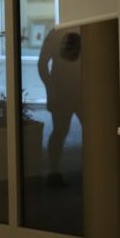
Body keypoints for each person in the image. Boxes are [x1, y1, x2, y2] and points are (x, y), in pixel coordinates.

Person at [38, 25, 82, 188]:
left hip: (66, 90)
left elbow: (42, 64)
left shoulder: (56, 33)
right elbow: (42, 65)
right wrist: (51, 90)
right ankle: (54, 172)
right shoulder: (86, 29)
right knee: (61, 131)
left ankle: (54, 172)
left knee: (60, 131)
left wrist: (51, 90)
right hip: (73, 90)